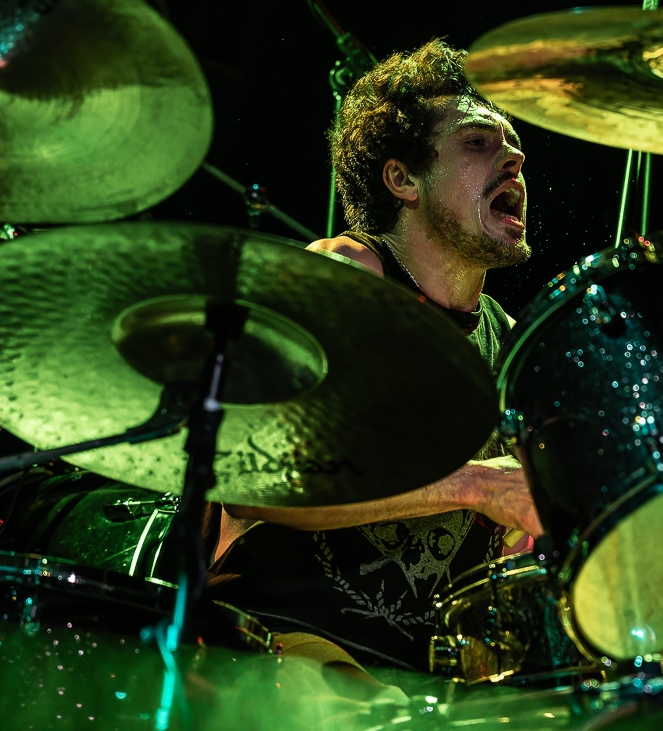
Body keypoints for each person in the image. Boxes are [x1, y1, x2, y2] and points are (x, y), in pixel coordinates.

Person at [206, 39, 542, 674]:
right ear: (403, 179)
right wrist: (478, 484)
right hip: (278, 642)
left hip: (421, 678)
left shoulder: (510, 342)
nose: (514, 158)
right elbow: (251, 481)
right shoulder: (347, 276)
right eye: (477, 142)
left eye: (514, 146)